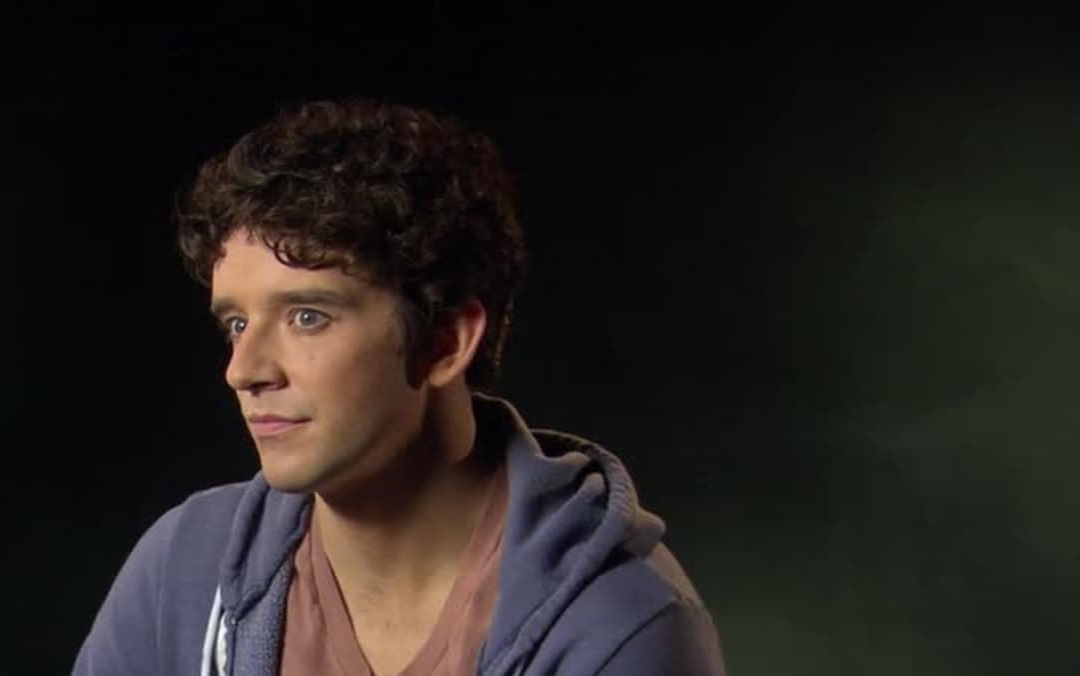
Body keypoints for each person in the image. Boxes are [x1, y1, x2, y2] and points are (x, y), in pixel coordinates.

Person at [72, 99, 726, 676]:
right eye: (237, 323)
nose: (243, 370)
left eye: (307, 317)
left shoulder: (619, 626)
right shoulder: (183, 573)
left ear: (445, 342)